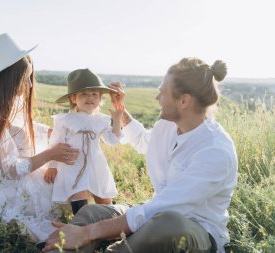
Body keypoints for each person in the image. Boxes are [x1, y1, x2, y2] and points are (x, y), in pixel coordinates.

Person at [43, 57, 238, 253]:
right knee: (90, 212)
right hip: (152, 213)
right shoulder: (168, 126)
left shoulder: (215, 151)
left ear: (184, 101)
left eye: (162, 93)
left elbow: (164, 209)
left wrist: (89, 232)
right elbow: (143, 141)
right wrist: (121, 111)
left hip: (193, 228)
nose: (157, 98)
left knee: (167, 224)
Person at [0, 33, 79, 243]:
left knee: (58, 170)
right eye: (25, 77)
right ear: (8, 80)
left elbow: (20, 125)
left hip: (11, 180)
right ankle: (84, 220)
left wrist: (49, 132)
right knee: (55, 181)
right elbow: (9, 171)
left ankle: (85, 214)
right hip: (8, 188)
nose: (29, 82)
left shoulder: (2, 106)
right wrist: (49, 154)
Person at [43, 68, 124, 215]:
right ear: (73, 98)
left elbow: (112, 140)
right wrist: (52, 166)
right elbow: (55, 142)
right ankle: (82, 224)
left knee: (104, 197)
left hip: (96, 164)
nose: (90, 98)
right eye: (84, 94)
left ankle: (111, 223)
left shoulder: (101, 120)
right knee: (78, 193)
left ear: (100, 99)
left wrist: (117, 121)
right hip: (73, 165)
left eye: (94, 94)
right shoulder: (65, 120)